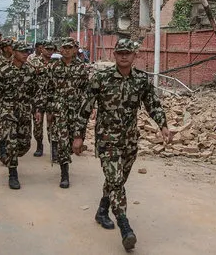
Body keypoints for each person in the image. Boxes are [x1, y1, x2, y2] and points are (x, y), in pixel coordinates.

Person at [72, 39, 171, 251]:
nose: (124, 56)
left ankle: (102, 210)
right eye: (120, 53)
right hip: (107, 140)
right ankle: (125, 227)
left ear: (134, 56)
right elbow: (85, 108)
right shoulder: (101, 78)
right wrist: (78, 135)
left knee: (117, 179)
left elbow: (152, 103)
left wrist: (163, 125)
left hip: (129, 140)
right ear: (114, 55)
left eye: (128, 53)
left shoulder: (141, 80)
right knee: (116, 181)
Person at [0, 41, 41, 189]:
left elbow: (35, 92)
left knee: (24, 145)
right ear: (14, 52)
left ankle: (9, 157)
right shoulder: (3, 70)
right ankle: (13, 174)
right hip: (8, 110)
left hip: (24, 110)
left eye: (27, 51)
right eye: (22, 51)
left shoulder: (30, 71)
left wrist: (37, 109)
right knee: (11, 143)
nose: (26, 54)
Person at [43, 37, 89, 188]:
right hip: (59, 109)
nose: (67, 50)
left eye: (70, 48)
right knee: (62, 141)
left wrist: (88, 108)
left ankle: (66, 156)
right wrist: (48, 110)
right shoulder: (54, 67)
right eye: (65, 48)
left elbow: (86, 90)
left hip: (76, 110)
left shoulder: (82, 67)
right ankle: (64, 174)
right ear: (60, 49)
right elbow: (48, 90)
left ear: (75, 50)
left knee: (72, 142)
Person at [28, 41, 55, 158]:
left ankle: (54, 148)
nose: (49, 51)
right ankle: (39, 145)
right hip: (37, 98)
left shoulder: (56, 64)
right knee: (38, 125)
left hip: (51, 98)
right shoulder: (33, 62)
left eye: (51, 49)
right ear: (42, 49)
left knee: (52, 124)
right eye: (47, 49)